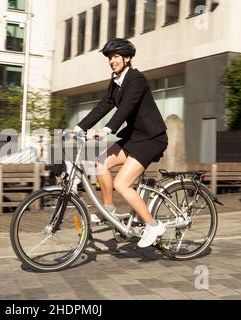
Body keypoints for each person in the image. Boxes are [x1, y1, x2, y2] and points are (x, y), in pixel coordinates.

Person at [72, 38, 169, 248]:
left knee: (121, 184)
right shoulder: (116, 81)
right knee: (100, 163)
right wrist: (80, 127)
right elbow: (104, 106)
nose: (111, 61)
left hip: (151, 138)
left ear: (127, 58)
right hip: (135, 137)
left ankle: (153, 225)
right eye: (109, 57)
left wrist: (107, 130)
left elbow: (126, 107)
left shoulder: (137, 80)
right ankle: (109, 209)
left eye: (115, 56)